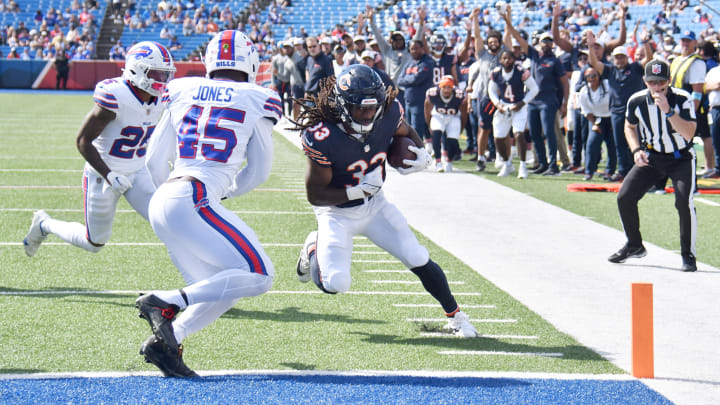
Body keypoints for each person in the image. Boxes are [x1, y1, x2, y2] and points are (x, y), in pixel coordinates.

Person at [291, 64, 478, 338]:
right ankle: (311, 247)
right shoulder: (322, 135)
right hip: (336, 212)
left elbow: (405, 132)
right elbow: (315, 195)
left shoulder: (388, 112)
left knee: (416, 255)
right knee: (335, 283)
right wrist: (357, 190)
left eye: (372, 107)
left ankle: (456, 316)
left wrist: (419, 153)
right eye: (360, 108)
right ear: (343, 106)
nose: (368, 114)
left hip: (376, 205)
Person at [138, 30, 281, 377]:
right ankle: (167, 301)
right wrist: (224, 191)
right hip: (193, 196)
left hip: (166, 196)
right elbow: (259, 172)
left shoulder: (182, 89)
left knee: (224, 287)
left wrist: (170, 196)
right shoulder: (256, 97)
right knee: (260, 275)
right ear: (250, 62)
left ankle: (168, 342)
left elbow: (153, 162)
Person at [22, 42, 175, 257]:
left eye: (165, 74)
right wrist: (110, 175)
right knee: (94, 242)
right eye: (156, 74)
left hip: (139, 170)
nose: (161, 80)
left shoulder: (163, 97)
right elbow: (83, 140)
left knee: (168, 220)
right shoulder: (115, 95)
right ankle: (44, 224)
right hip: (103, 174)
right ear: (136, 69)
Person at [609, 60, 698, 272]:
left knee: (683, 202)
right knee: (624, 197)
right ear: (645, 81)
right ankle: (634, 245)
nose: (657, 87)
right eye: (652, 82)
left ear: (669, 81)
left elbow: (689, 133)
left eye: (661, 82)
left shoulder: (683, 98)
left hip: (681, 158)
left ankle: (688, 254)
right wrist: (636, 150)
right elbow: (629, 127)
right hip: (653, 157)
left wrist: (668, 111)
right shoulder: (637, 100)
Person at [506, 6, 568, 176]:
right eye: (544, 41)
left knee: (549, 133)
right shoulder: (533, 55)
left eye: (549, 41)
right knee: (534, 134)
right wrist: (507, 22)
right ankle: (542, 162)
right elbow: (518, 37)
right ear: (539, 43)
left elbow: (564, 83)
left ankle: (554, 166)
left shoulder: (555, 61)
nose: (547, 44)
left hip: (548, 101)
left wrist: (565, 103)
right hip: (532, 100)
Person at [586, 32, 653, 182]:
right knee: (620, 144)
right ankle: (624, 171)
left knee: (639, 142)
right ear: (613, 58)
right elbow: (594, 63)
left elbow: (648, 60)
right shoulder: (610, 70)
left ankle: (642, 170)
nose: (619, 60)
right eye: (617, 57)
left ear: (627, 57)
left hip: (635, 111)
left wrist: (646, 42)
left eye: (622, 57)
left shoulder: (635, 68)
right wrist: (590, 46)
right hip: (616, 112)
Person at [487, 50, 539, 179]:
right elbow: (491, 90)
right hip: (504, 107)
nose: (507, 61)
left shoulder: (521, 72)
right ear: (500, 60)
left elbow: (534, 89)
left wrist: (523, 103)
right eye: (504, 58)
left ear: (513, 59)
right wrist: (497, 104)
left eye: (509, 58)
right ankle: (507, 163)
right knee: (498, 138)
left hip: (518, 107)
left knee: (518, 134)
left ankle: (522, 166)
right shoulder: (496, 73)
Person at [398, 40, 435, 154]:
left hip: (420, 101)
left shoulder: (427, 62)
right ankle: (417, 149)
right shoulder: (409, 63)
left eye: (416, 48)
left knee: (416, 129)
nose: (414, 51)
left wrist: (408, 79)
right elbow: (400, 80)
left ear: (423, 49)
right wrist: (410, 79)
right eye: (412, 48)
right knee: (409, 127)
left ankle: (418, 152)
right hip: (408, 100)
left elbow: (417, 79)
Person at [424, 75, 468, 172]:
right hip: (438, 115)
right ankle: (438, 161)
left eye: (449, 87)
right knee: (436, 135)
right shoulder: (432, 93)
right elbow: (427, 107)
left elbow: (464, 114)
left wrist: (462, 127)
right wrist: (428, 123)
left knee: (452, 140)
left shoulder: (459, 95)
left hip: (453, 117)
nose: (447, 90)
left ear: (452, 87)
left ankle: (449, 160)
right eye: (444, 87)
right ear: (440, 87)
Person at [578, 67, 613, 181]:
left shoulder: (607, 85)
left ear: (599, 76)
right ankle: (589, 171)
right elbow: (586, 110)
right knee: (592, 144)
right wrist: (594, 124)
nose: (591, 78)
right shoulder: (584, 91)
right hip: (596, 119)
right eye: (588, 76)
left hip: (611, 117)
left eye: (594, 75)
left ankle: (610, 171)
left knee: (612, 145)